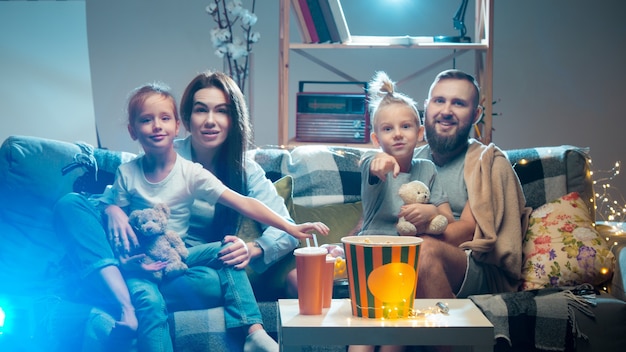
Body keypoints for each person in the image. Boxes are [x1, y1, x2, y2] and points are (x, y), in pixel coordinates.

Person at [100, 81, 327, 352]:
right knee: (193, 286)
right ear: (185, 119)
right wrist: (111, 209)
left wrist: (252, 248)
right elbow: (115, 200)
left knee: (212, 277)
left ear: (234, 120)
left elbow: (272, 220)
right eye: (200, 110)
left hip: (197, 262)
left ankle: (252, 332)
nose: (210, 121)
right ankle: (137, 293)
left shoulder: (236, 169)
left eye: (221, 111)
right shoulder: (159, 150)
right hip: (153, 259)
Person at [349, 72, 454, 352]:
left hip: (406, 262)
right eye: (387, 129)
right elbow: (373, 165)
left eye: (405, 126)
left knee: (395, 337)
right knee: (364, 335)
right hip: (370, 256)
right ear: (375, 138)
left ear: (419, 134)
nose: (397, 133)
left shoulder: (427, 170)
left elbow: (446, 218)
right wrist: (381, 161)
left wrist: (429, 210)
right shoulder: (371, 162)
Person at [408, 69, 531, 302]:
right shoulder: (409, 160)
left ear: (475, 114)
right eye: (439, 101)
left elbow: (466, 231)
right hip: (407, 253)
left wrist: (402, 239)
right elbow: (376, 216)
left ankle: (448, 338)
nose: (446, 111)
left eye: (458, 103)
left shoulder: (487, 163)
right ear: (427, 106)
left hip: (471, 264)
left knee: (423, 250)